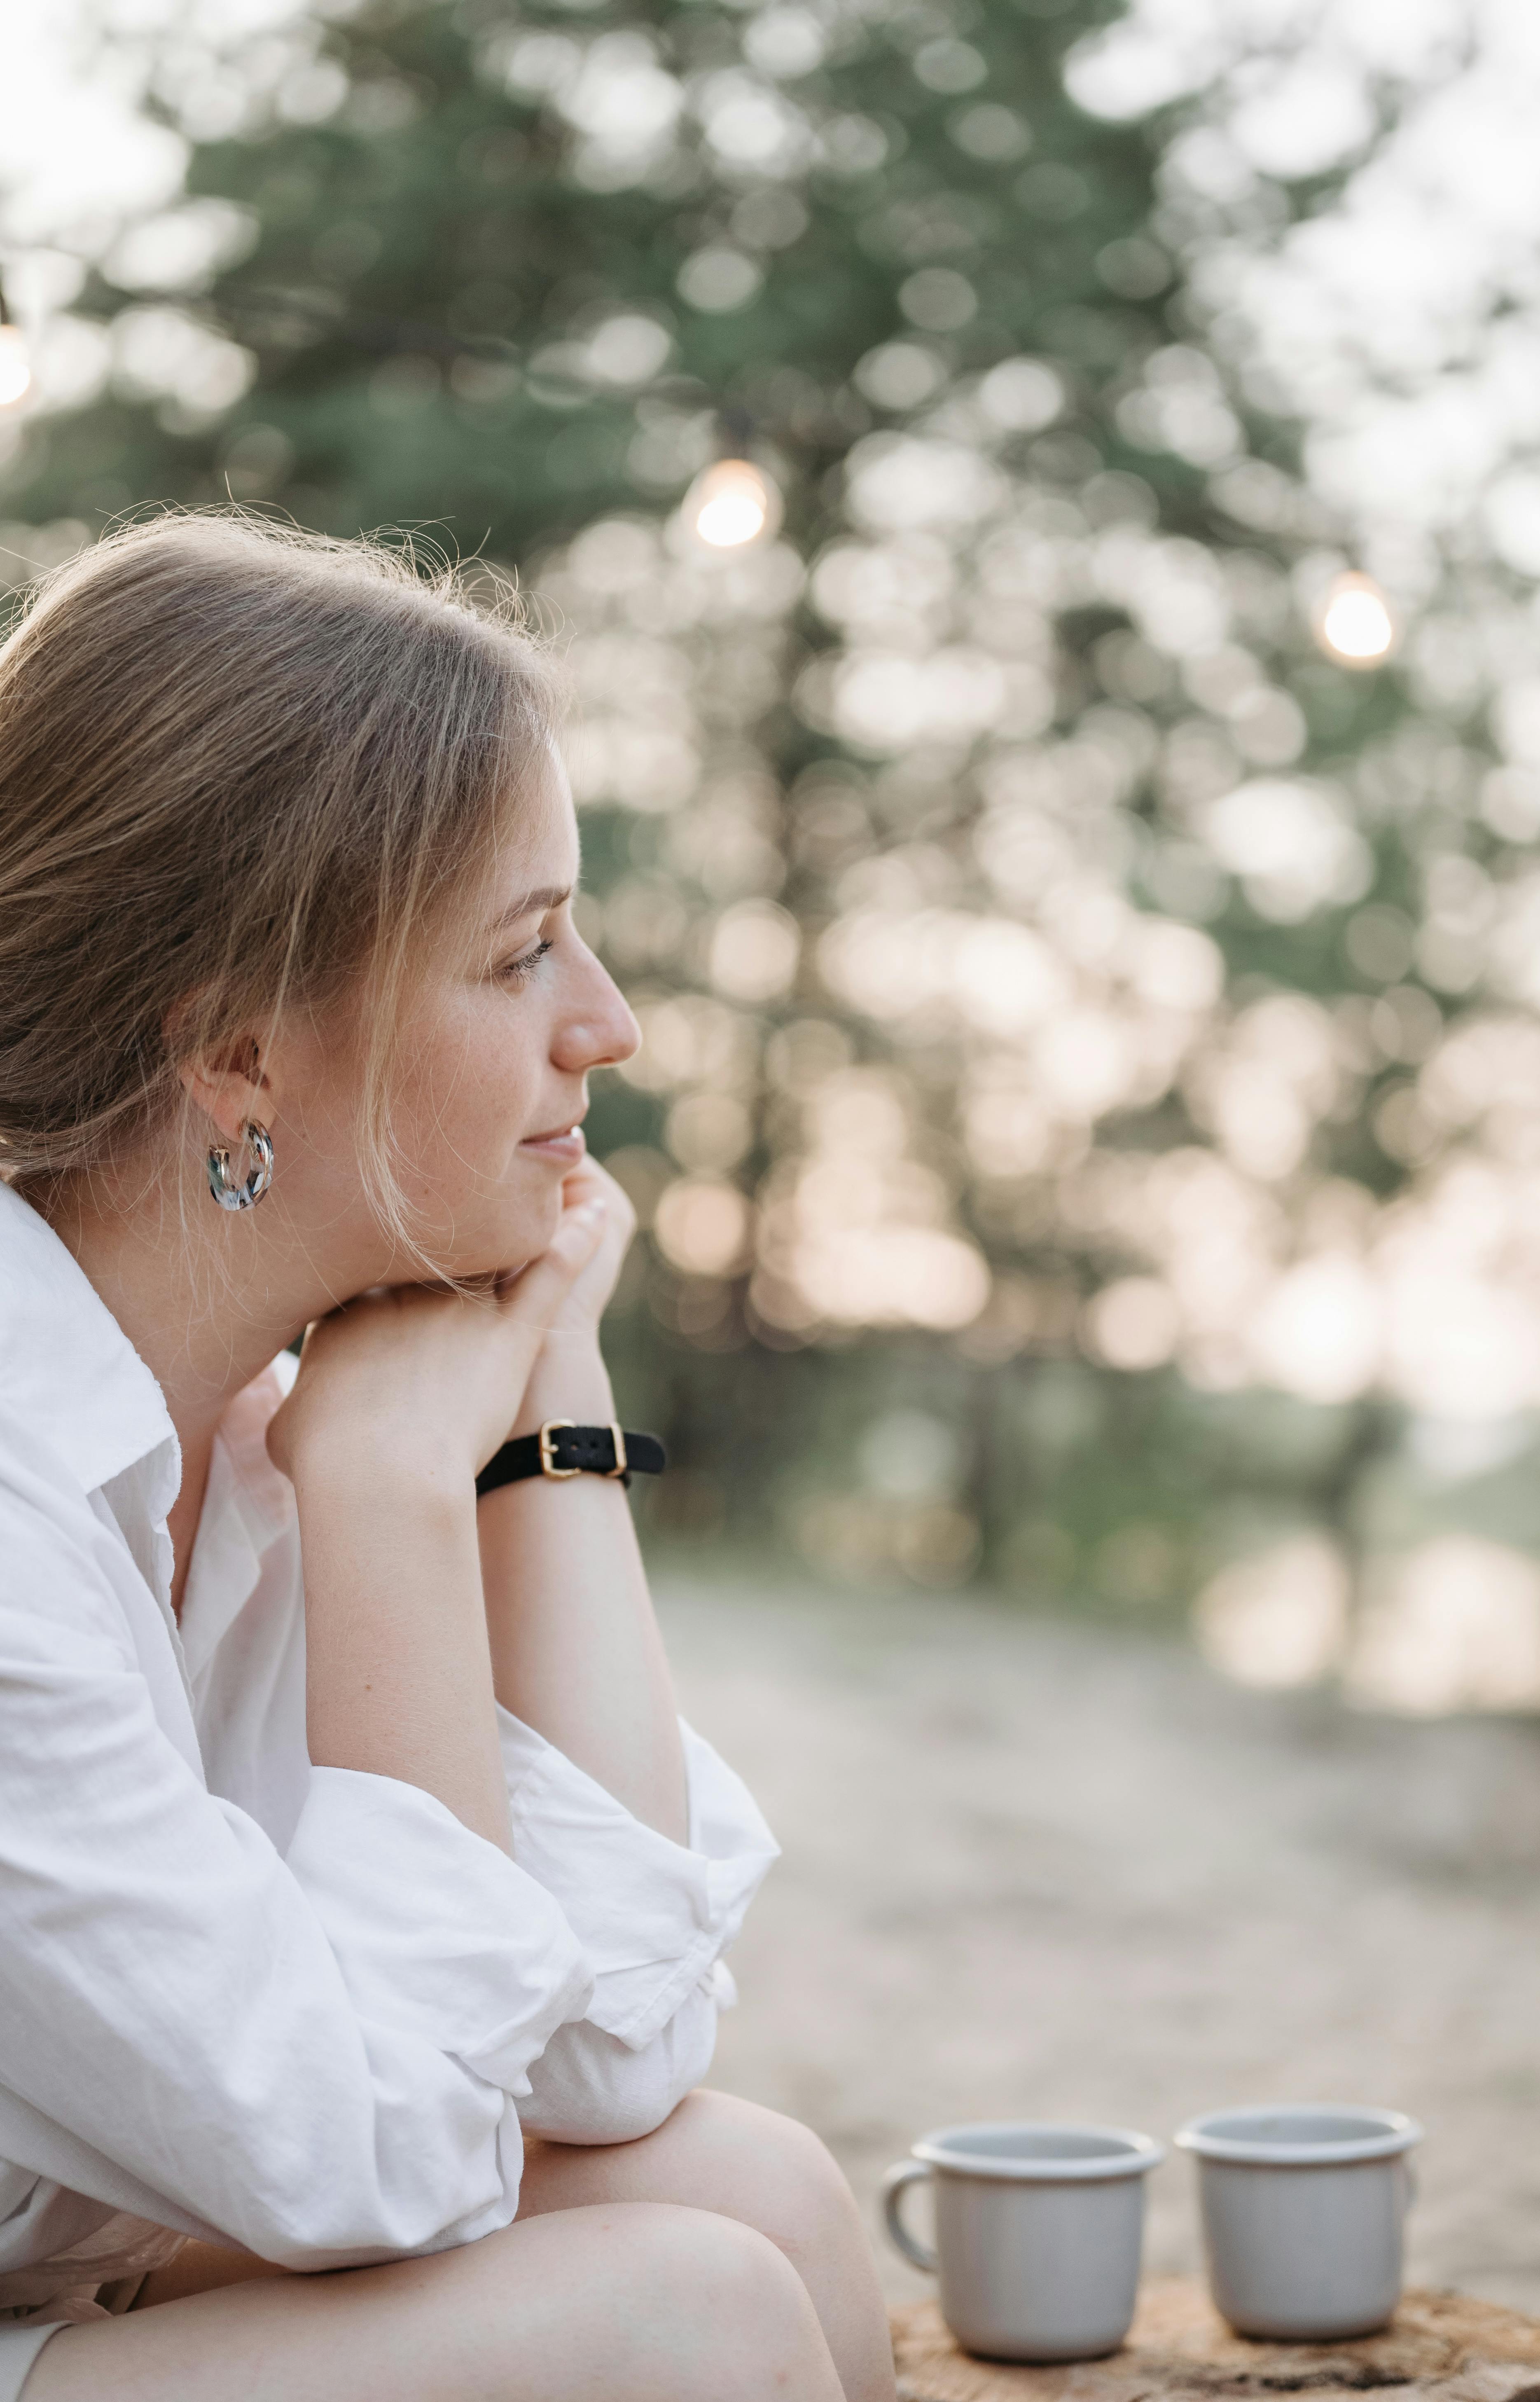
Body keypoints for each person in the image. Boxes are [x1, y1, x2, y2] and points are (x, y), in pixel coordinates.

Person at [0, 514, 897, 2402]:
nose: (611, 1024)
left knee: (765, 2194)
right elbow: (385, 2168)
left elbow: (609, 2053)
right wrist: (395, 1495)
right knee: (683, 2319)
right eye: (520, 956)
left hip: (65, 2268)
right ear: (237, 1056)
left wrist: (544, 1401)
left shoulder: (228, 1424)